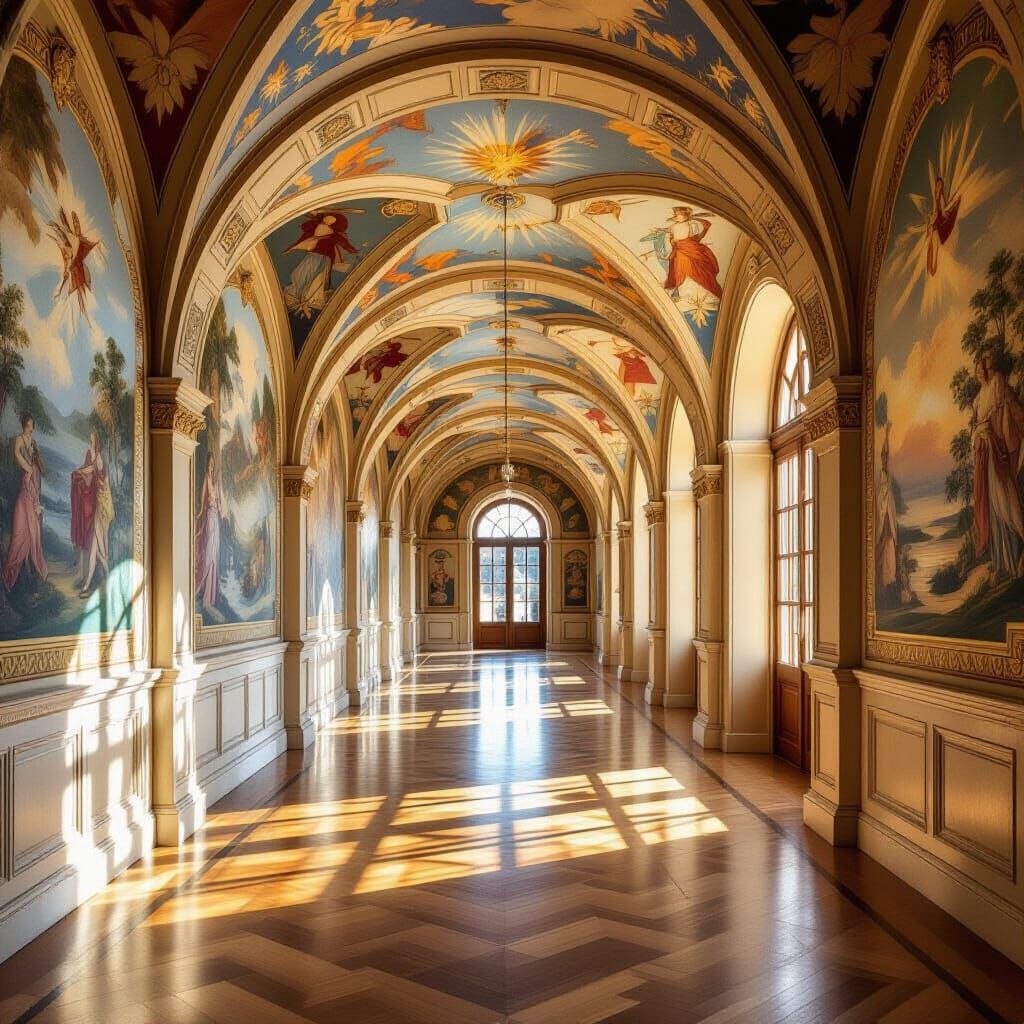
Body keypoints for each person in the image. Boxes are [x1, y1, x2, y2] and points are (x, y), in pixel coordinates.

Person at [972, 351, 1024, 579]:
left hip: (994, 451)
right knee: (992, 503)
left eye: (985, 368)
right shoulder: (979, 398)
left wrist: (992, 438)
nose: (982, 372)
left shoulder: (997, 386)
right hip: (985, 452)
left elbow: (1003, 420)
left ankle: (1012, 556)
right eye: (979, 369)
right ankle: (1002, 562)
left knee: (1002, 498)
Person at [2, 414, 48, 590]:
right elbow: (16, 454)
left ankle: (29, 569)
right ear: (24, 425)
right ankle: (12, 573)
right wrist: (28, 469)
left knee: (33, 531)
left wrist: (33, 468)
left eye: (32, 425)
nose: (32, 428)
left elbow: (39, 467)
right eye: (29, 425)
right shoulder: (19, 440)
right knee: (20, 532)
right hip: (26, 486)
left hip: (34, 486)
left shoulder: (33, 442)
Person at [644, 206, 723, 300]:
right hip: (678, 248)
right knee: (675, 261)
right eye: (675, 215)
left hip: (689, 247)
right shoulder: (673, 226)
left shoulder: (691, 224)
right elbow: (667, 230)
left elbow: (695, 237)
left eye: (678, 215)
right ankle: (676, 284)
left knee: (689, 263)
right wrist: (658, 229)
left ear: (684, 216)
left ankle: (691, 282)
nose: (675, 216)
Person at [71, 431, 113, 596]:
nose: (90, 443)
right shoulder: (96, 464)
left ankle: (105, 582)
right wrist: (81, 472)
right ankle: (88, 584)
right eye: (90, 440)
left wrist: (80, 472)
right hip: (98, 512)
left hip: (101, 513)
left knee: (100, 551)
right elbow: (89, 471)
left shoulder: (99, 464)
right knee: (96, 551)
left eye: (92, 440)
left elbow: (91, 472)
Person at [196, 452, 223, 617]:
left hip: (216, 520)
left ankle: (211, 596)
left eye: (213, 464)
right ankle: (204, 592)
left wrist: (219, 504)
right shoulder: (207, 478)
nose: (211, 466)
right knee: (208, 555)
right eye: (209, 464)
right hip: (209, 518)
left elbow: (220, 505)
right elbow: (203, 497)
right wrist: (200, 511)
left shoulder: (216, 481)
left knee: (214, 556)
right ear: (207, 465)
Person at [875, 425, 900, 603]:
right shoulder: (882, 490)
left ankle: (889, 582)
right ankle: (885, 585)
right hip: (884, 523)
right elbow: (884, 455)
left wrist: (887, 434)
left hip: (888, 525)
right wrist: (886, 435)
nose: (885, 462)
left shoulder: (887, 489)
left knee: (889, 551)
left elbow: (886, 455)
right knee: (884, 552)